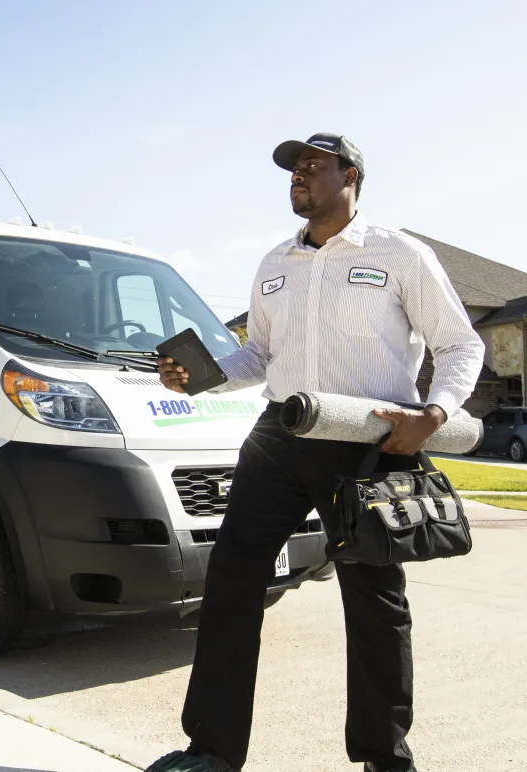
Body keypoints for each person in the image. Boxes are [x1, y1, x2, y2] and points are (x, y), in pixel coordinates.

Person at [146, 133, 485, 772]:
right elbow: (260, 356)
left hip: (366, 442)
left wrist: (433, 413)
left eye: (312, 166)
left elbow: (461, 345)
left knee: (373, 597)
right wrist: (204, 375)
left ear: (349, 175)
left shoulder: (399, 255)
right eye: (294, 169)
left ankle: (385, 758)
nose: (298, 176)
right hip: (280, 434)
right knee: (232, 579)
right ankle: (212, 750)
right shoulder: (276, 263)